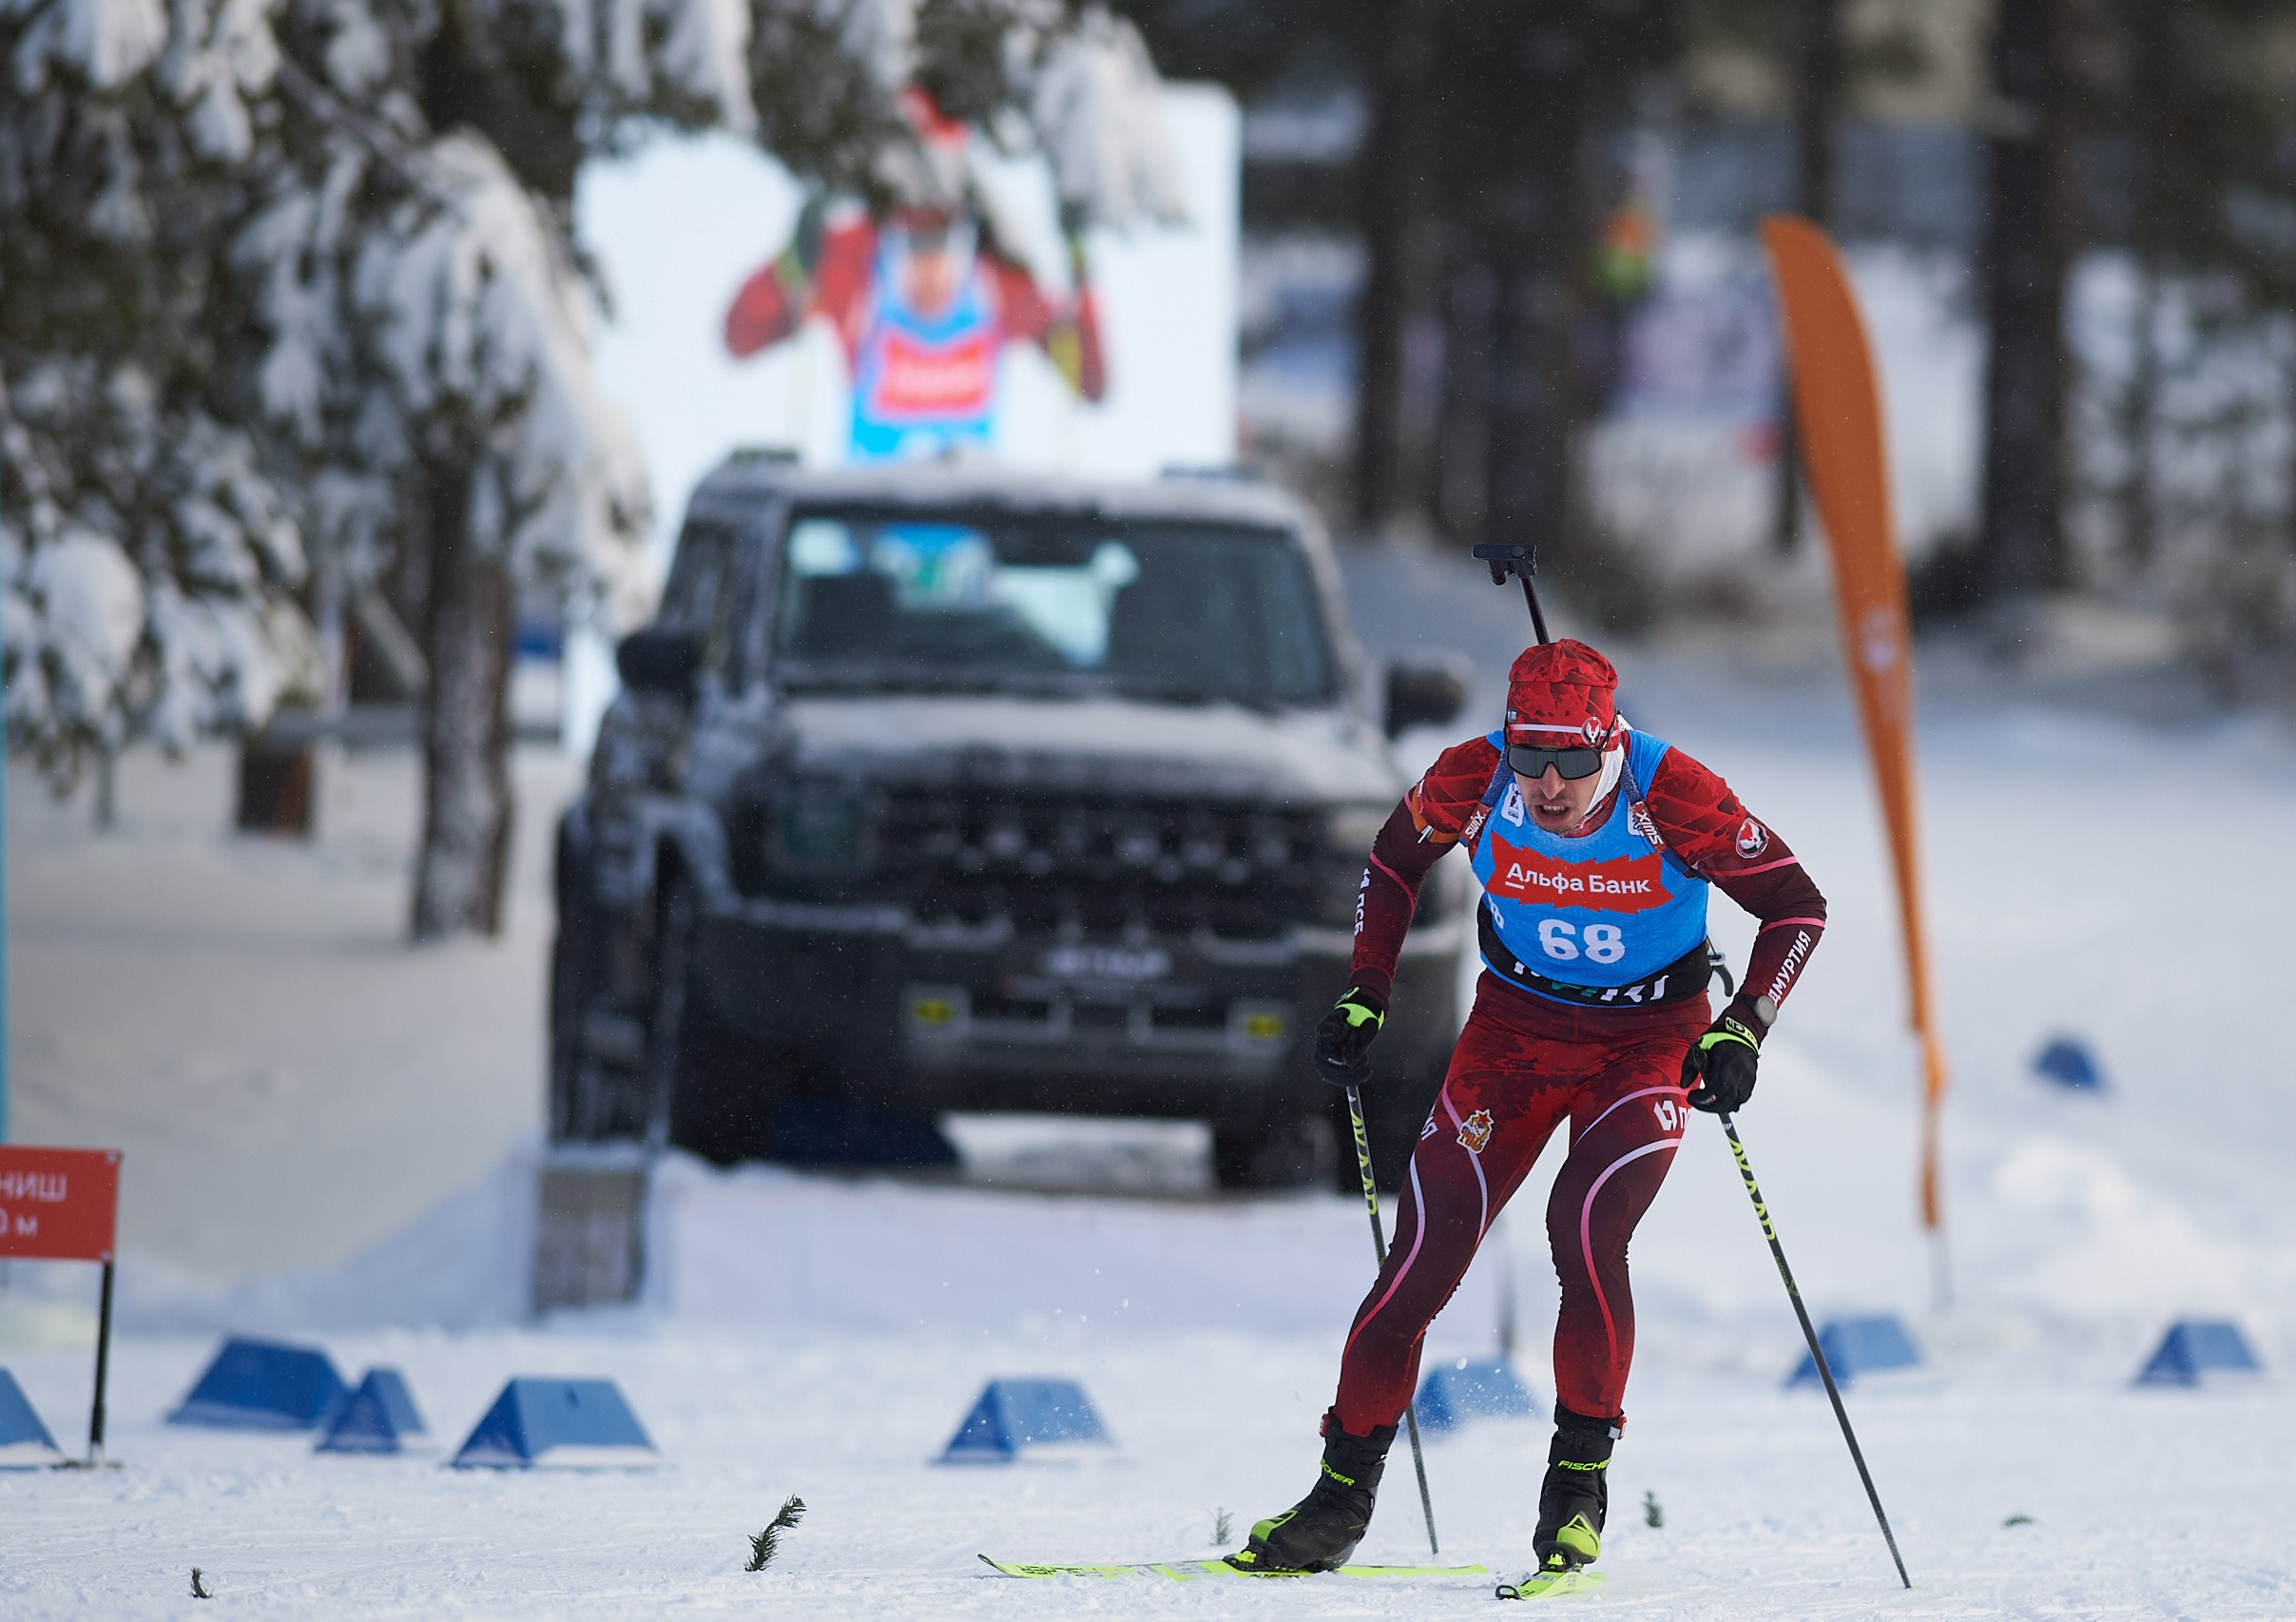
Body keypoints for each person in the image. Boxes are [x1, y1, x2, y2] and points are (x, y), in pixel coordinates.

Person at [1234, 638, 1827, 1594]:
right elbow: (1390, 862)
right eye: (1530, 757)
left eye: (1572, 761)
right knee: (1421, 1259)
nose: (1548, 784)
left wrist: (1742, 1027)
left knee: (1584, 1228)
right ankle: (1338, 1499)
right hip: (1511, 1034)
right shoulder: (1471, 777)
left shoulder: (1671, 789)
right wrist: (1365, 992)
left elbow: (1795, 906)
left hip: (1644, 1041)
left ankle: (1576, 1493)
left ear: (1610, 742)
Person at [722, 197, 1106, 462]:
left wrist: (1079, 275)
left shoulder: (1002, 284)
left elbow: (1090, 382)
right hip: (866, 530)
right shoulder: (855, 272)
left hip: (967, 531)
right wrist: (792, 262)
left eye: (941, 251)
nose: (927, 273)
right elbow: (741, 337)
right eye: (912, 251)